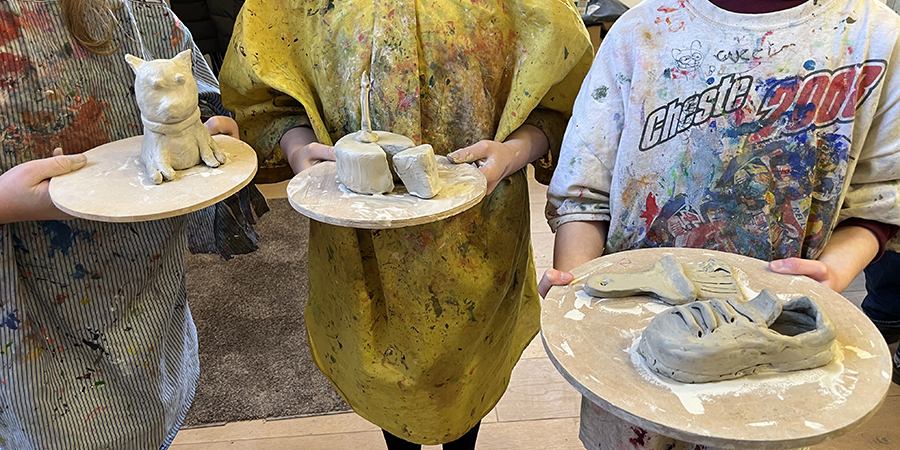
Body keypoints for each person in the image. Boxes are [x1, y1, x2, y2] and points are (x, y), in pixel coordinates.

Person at [219, 1, 592, 447]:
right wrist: (300, 150)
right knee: (388, 382)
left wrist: (513, 151)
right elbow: (265, 99)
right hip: (360, 248)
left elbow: (565, 99)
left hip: (479, 235)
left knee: (466, 374)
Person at [541, 0, 899, 447]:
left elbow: (882, 198)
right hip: (631, 337)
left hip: (769, 344)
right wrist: (580, 285)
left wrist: (836, 268)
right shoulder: (641, 31)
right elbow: (583, 193)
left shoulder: (875, 36)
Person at [0, 0, 266, 448]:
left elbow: (194, 88)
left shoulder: (132, 7)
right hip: (26, 321)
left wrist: (210, 126)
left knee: (147, 418)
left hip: (145, 296)